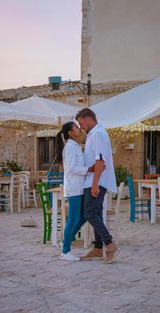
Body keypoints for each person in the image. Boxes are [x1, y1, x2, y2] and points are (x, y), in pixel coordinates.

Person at [75, 108, 120, 264]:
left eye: (80, 123)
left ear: (88, 118)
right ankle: (97, 248)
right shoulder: (94, 134)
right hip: (93, 180)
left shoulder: (98, 134)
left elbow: (100, 160)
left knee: (90, 213)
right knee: (96, 213)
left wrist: (95, 184)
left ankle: (109, 244)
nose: (80, 127)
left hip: (97, 181)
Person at [56, 121, 94, 262]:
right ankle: (65, 251)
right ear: (71, 133)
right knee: (72, 219)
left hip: (80, 188)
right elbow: (71, 168)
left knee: (84, 216)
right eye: (76, 128)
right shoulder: (70, 147)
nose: (79, 129)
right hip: (74, 189)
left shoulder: (76, 146)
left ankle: (65, 242)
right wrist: (89, 170)